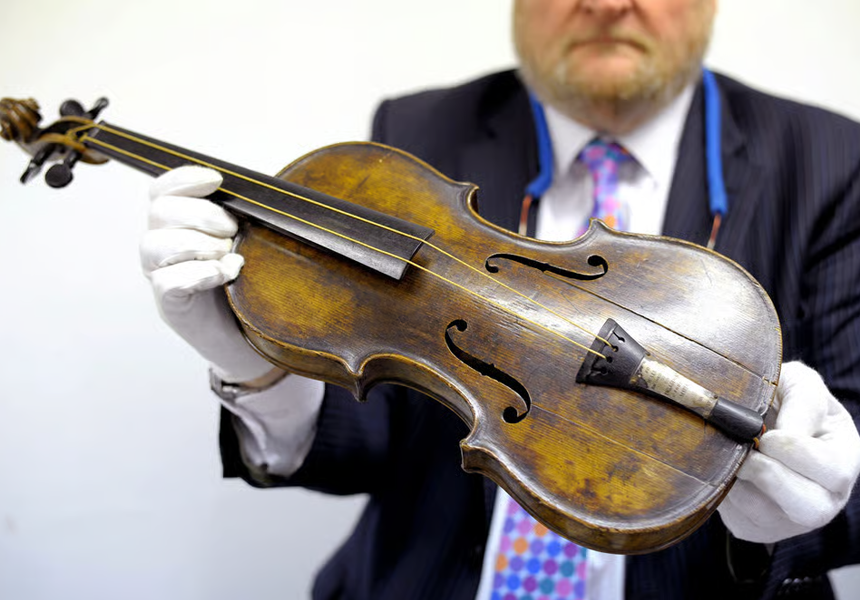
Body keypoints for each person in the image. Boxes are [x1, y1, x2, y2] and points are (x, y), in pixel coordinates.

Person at [139, 0, 860, 598]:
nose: (608, 5)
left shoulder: (827, 160)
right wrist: (258, 365)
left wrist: (795, 509)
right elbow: (371, 421)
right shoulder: (416, 135)